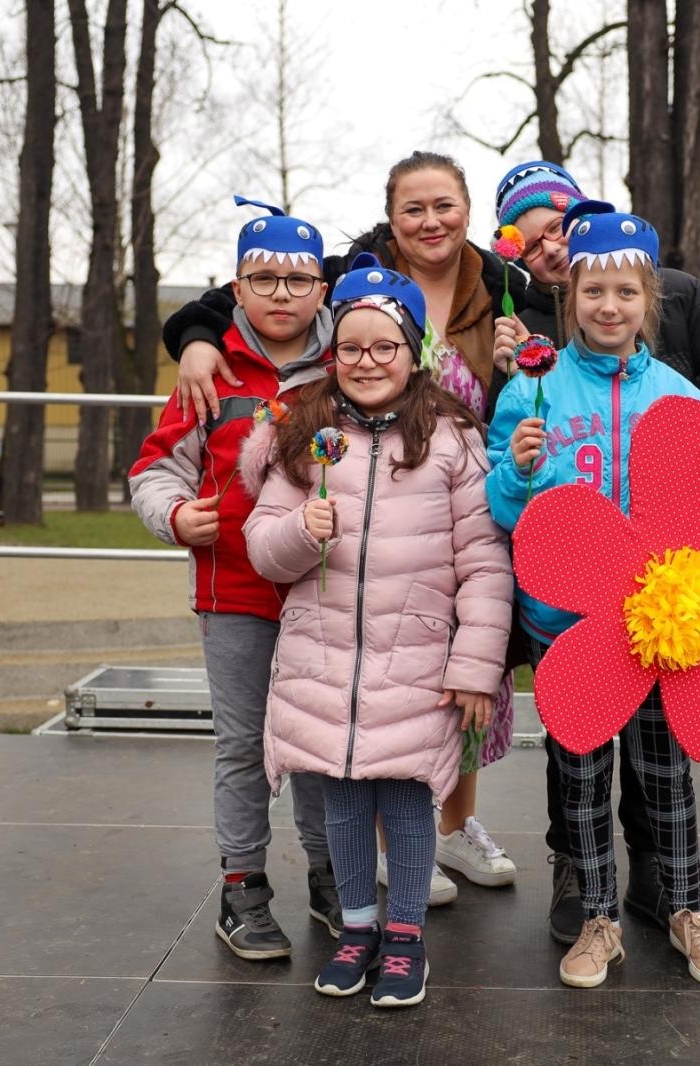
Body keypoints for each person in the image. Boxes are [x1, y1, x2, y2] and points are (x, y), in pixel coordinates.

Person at [165, 151, 522, 902]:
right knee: (318, 733)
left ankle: (448, 836)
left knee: (441, 713)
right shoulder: (341, 288)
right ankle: (335, 883)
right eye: (412, 208)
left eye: (445, 205)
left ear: (469, 210)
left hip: (447, 521)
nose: (430, 221)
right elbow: (257, 292)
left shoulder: (506, 288)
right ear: (389, 219)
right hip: (326, 574)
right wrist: (197, 335)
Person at [489, 161, 700, 944]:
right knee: (579, 776)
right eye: (593, 291)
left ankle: (685, 909)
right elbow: (503, 508)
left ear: (650, 303)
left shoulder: (679, 394)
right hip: (563, 621)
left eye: (626, 292)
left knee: (665, 775)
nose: (610, 306)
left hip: (659, 630)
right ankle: (596, 917)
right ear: (568, 298)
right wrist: (519, 470)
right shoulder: (530, 392)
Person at [240, 254, 513, 1008]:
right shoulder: (306, 439)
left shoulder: (453, 441)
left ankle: (404, 938)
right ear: (334, 355)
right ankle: (355, 929)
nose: (366, 362)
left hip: (418, 662)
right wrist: (302, 527)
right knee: (342, 803)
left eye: (384, 346)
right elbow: (264, 548)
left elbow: (485, 566)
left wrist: (475, 667)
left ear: (412, 352)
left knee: (405, 800)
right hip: (323, 661)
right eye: (351, 348)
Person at [129, 198, 341, 961]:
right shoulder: (208, 370)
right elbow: (155, 467)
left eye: (299, 280)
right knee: (244, 746)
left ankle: (334, 876)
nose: (281, 294)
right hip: (236, 597)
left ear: (325, 288)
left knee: (320, 744)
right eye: (264, 279)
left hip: (328, 595)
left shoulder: (347, 364)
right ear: (236, 287)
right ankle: (242, 886)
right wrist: (175, 514)